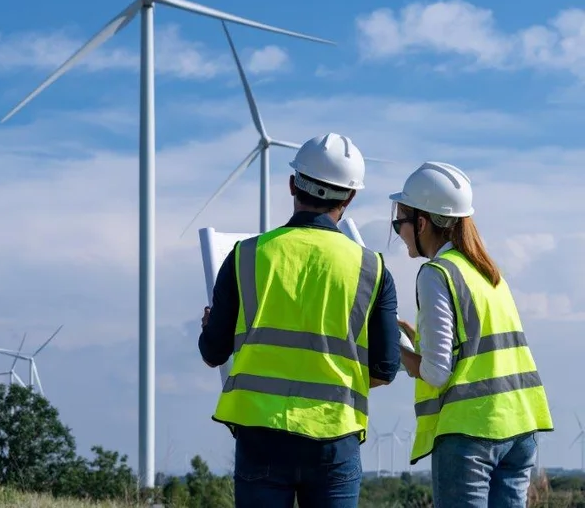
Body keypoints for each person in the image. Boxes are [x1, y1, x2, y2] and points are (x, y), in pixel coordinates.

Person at [199, 132, 401, 507]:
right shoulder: (372, 269)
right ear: (351, 196)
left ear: (292, 183)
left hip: (261, 439)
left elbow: (213, 352)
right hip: (334, 440)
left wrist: (209, 327)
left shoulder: (245, 256)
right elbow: (385, 369)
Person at [391, 161, 553, 508]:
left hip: (472, 433)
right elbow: (474, 346)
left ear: (422, 222)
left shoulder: (436, 273)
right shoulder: (489, 273)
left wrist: (395, 347)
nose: (398, 231)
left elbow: (437, 372)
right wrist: (418, 338)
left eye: (399, 221)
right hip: (520, 426)